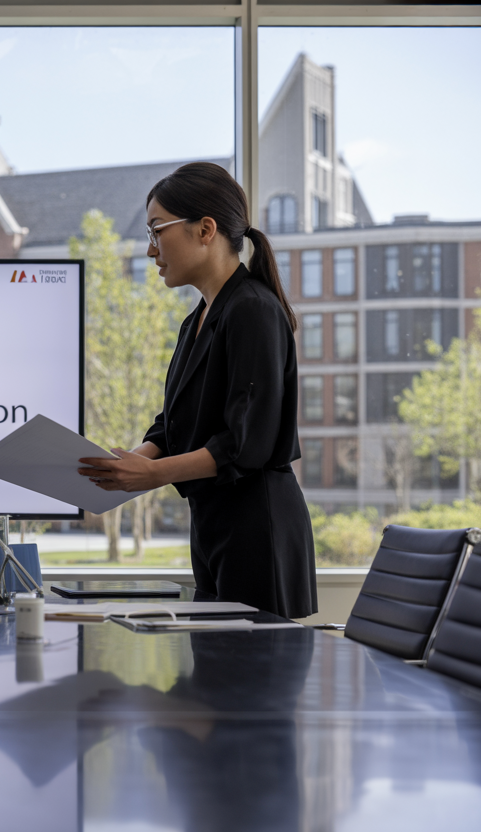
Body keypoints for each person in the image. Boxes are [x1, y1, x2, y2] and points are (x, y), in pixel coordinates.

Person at [78, 161, 317, 619]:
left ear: (205, 229)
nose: (151, 251)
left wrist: (154, 474)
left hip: (256, 527)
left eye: (156, 231)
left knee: (247, 681)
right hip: (214, 526)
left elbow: (245, 443)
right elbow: (175, 422)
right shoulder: (198, 319)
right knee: (213, 680)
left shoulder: (252, 310)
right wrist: (125, 467)